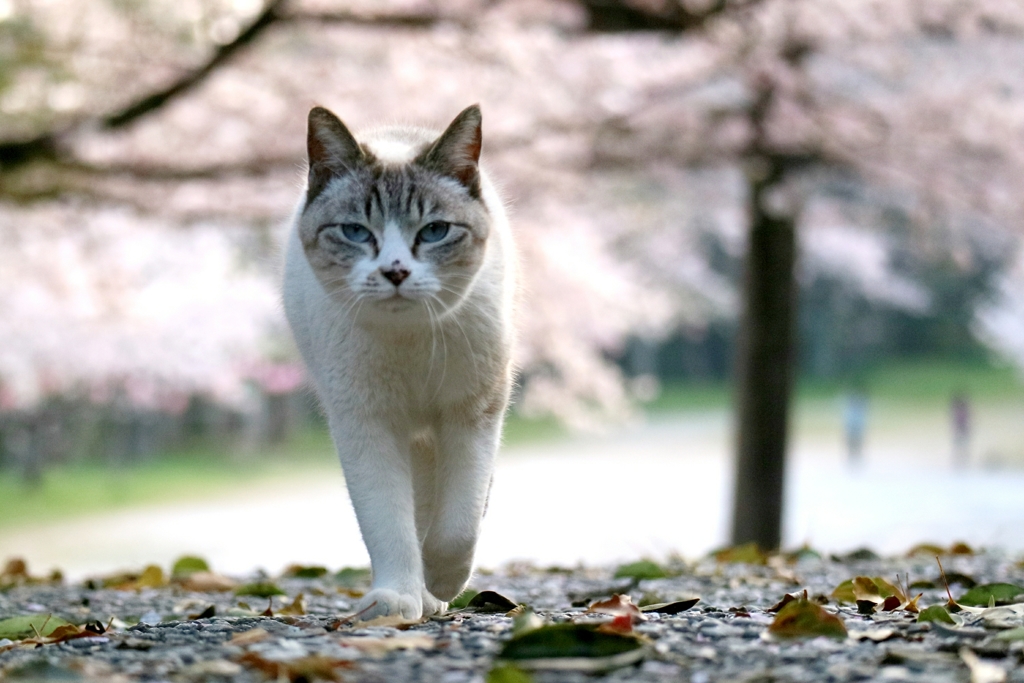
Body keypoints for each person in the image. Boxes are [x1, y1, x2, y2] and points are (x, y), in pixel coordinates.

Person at [843, 389, 868, 465]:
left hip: (854, 429)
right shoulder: (857, 409)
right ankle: (854, 458)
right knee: (854, 444)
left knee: (855, 444)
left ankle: (855, 458)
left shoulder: (852, 409)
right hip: (855, 429)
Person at [951, 391, 971, 467]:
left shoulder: (958, 410)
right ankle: (961, 461)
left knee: (962, 446)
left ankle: (961, 461)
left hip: (961, 430)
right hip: (961, 430)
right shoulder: (960, 410)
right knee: (961, 446)